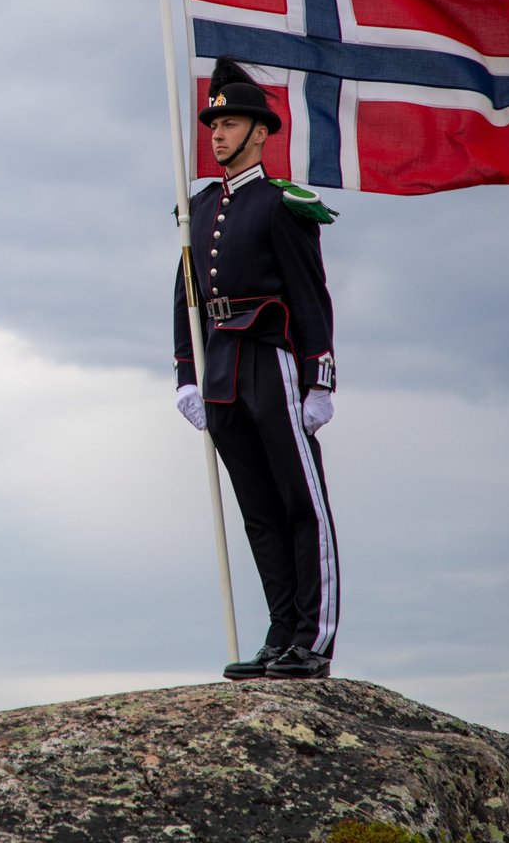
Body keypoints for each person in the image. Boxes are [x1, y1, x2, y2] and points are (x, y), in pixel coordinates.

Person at [173, 58, 340, 680]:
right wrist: (186, 376)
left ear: (260, 133)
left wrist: (318, 378)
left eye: (230, 122)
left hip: (271, 362)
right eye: (213, 123)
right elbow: (185, 298)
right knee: (259, 512)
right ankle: (278, 635)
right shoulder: (199, 206)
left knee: (302, 504)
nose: (216, 133)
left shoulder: (282, 204)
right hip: (220, 370)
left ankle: (312, 639)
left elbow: (310, 296)